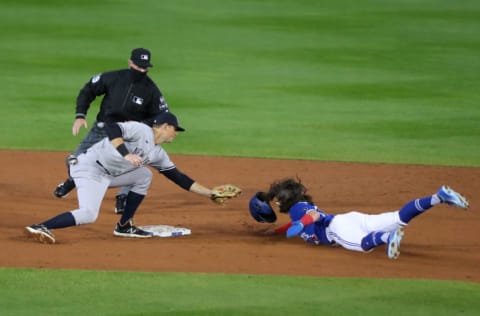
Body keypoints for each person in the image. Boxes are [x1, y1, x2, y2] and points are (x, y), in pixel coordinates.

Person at [25, 112, 238, 244]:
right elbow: (112, 127)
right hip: (89, 168)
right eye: (175, 129)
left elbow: (179, 178)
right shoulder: (141, 130)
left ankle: (124, 225)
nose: (176, 134)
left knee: (144, 175)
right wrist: (125, 152)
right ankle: (41, 226)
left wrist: (209, 192)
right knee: (89, 214)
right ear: (164, 126)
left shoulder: (158, 153)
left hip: (107, 175)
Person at [54, 48, 170, 215]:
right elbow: (88, 90)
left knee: (132, 164)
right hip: (102, 129)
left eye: (145, 68)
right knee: (74, 160)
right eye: (138, 66)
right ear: (130, 63)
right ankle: (72, 180)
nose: (141, 71)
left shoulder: (151, 89)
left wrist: (141, 125)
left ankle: (122, 197)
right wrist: (80, 115)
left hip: (128, 136)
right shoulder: (113, 77)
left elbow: (161, 115)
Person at [254, 178, 470, 259]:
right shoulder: (298, 208)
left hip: (337, 228)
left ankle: (387, 238)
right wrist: (276, 232)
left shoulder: (299, 211)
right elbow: (298, 222)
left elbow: (314, 215)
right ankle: (438, 197)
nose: (277, 204)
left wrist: (302, 223)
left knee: (361, 246)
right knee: (398, 217)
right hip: (350, 219)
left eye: (278, 200)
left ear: (287, 200)